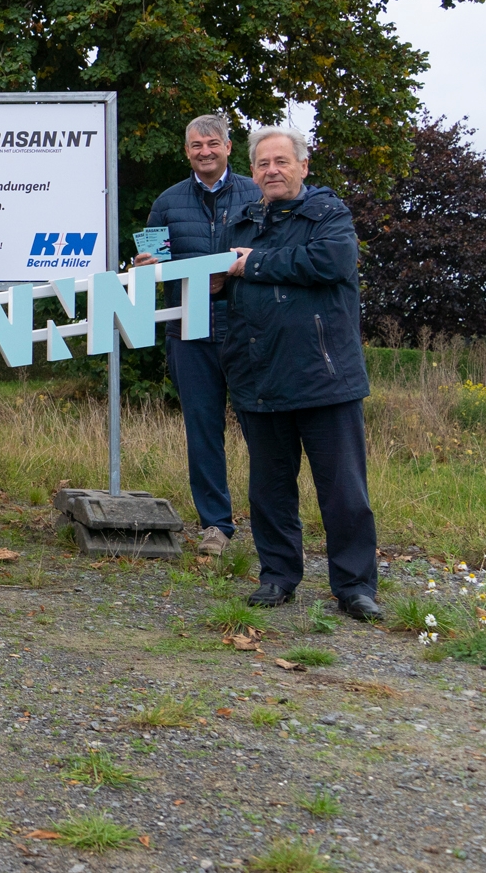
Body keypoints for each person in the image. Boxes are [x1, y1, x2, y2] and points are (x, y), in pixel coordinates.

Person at [223, 125, 380, 620]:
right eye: (263, 164)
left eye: (282, 162)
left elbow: (330, 261)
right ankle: (277, 577)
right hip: (259, 378)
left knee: (343, 492)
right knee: (269, 491)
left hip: (324, 380)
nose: (272, 171)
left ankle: (354, 587)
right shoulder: (242, 225)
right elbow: (220, 278)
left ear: (303, 166)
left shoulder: (328, 214)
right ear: (253, 172)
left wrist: (255, 264)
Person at [133, 115, 262, 556]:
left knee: (263, 430)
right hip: (188, 331)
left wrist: (230, 279)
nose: (204, 152)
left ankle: (274, 524)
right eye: (195, 145)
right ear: (185, 151)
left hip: (248, 332)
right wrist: (146, 269)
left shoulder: (256, 194)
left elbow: (274, 256)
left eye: (212, 143)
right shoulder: (167, 202)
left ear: (228, 146)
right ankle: (216, 526)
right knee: (202, 431)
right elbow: (156, 265)